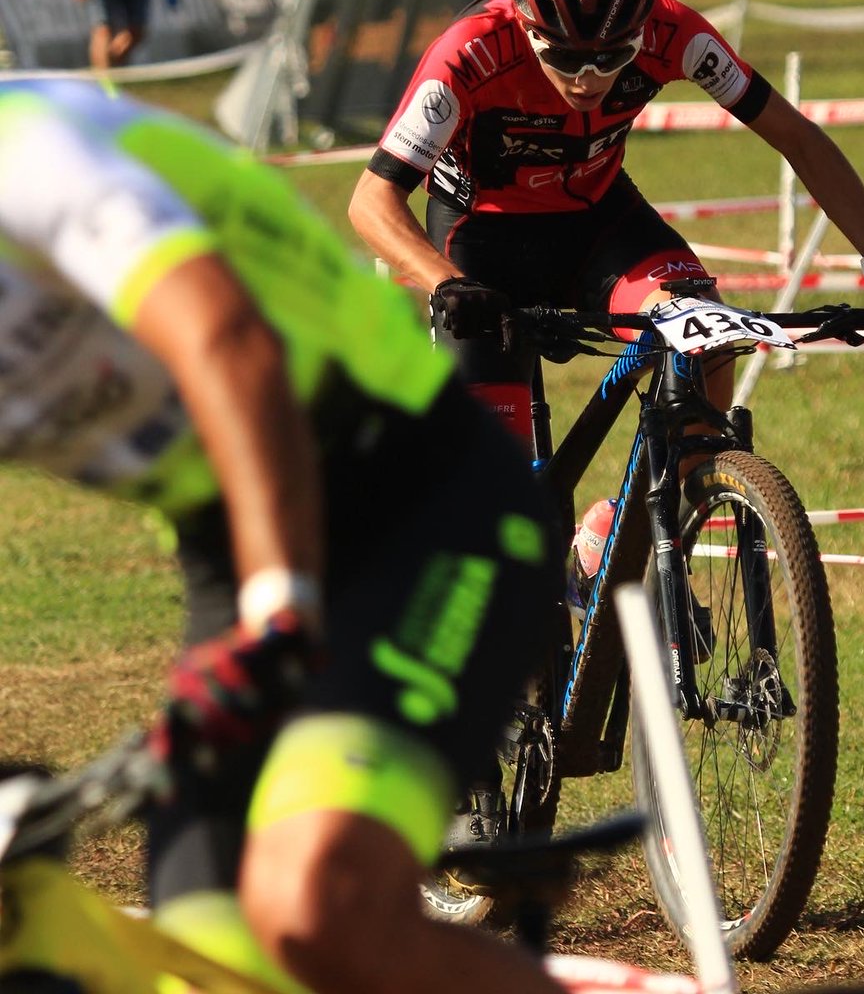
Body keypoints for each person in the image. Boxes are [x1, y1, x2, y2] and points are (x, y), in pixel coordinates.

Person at [0, 78, 566, 994]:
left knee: (314, 907)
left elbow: (230, 342)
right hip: (235, 544)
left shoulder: (25, 156)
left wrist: (277, 613)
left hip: (421, 497)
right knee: (205, 953)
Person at [348, 0, 864, 463]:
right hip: (481, 242)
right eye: (564, 58)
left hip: (598, 224)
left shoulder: (674, 32)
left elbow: (798, 138)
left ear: (641, 28)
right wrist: (445, 283)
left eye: (612, 57)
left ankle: (644, 533)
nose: (587, 79)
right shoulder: (470, 53)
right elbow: (372, 201)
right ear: (527, 29)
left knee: (703, 338)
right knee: (492, 487)